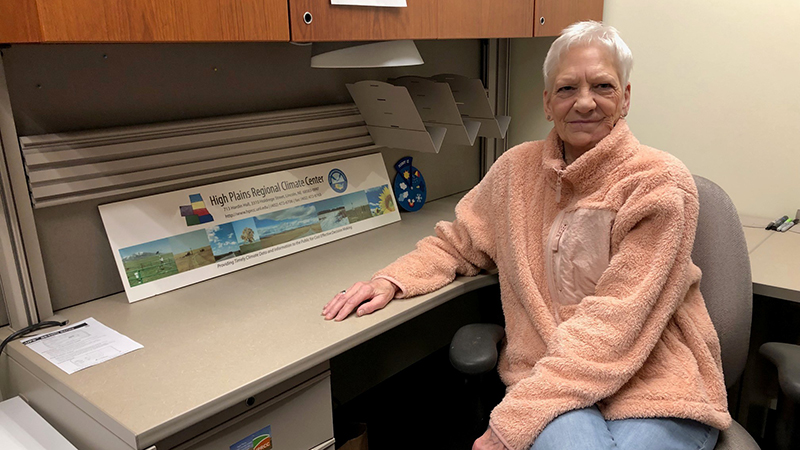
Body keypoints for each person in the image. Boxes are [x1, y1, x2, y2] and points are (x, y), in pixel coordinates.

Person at [323, 21, 730, 450]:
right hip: (551, 378)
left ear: (625, 97)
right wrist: (392, 279)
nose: (585, 102)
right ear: (548, 102)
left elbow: (614, 322)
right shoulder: (516, 172)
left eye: (603, 86)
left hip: (656, 382)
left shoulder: (659, 182)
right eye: (567, 88)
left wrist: (510, 424)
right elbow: (458, 242)